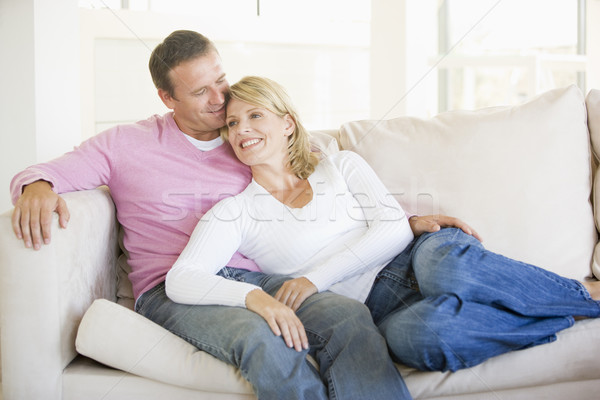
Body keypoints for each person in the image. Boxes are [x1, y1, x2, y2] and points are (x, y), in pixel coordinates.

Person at [10, 31, 412, 399]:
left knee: (346, 316)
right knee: (261, 337)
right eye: (201, 91)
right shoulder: (124, 144)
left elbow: (317, 186)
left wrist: (407, 222)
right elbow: (45, 172)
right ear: (168, 98)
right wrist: (37, 187)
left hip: (252, 276)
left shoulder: (245, 140)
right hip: (171, 289)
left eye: (220, 80)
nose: (220, 99)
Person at [167, 75, 600, 376]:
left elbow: (393, 230)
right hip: (382, 309)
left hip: (416, 256)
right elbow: (182, 280)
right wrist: (256, 298)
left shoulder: (340, 166)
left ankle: (588, 299)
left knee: (446, 268)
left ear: (287, 123)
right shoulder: (235, 212)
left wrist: (314, 279)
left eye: (254, 116)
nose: (242, 130)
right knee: (418, 340)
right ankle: (562, 314)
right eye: (232, 123)